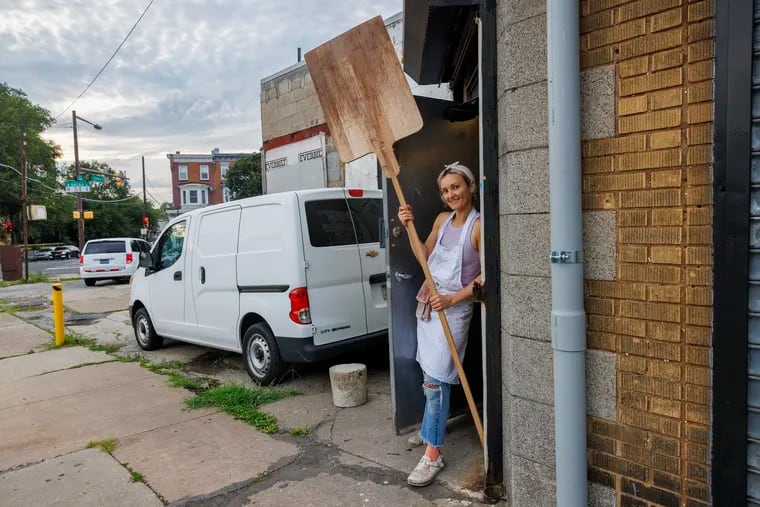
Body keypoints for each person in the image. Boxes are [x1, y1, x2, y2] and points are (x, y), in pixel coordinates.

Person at [397, 161, 481, 487]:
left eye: (456, 187)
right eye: (445, 190)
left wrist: (452, 300)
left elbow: (486, 276)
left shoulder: (478, 227)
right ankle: (429, 430)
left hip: (454, 311)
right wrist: (409, 226)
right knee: (428, 374)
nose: (450, 195)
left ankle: (433, 454)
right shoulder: (442, 220)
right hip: (429, 306)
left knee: (437, 381)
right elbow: (424, 255)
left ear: (470, 187)